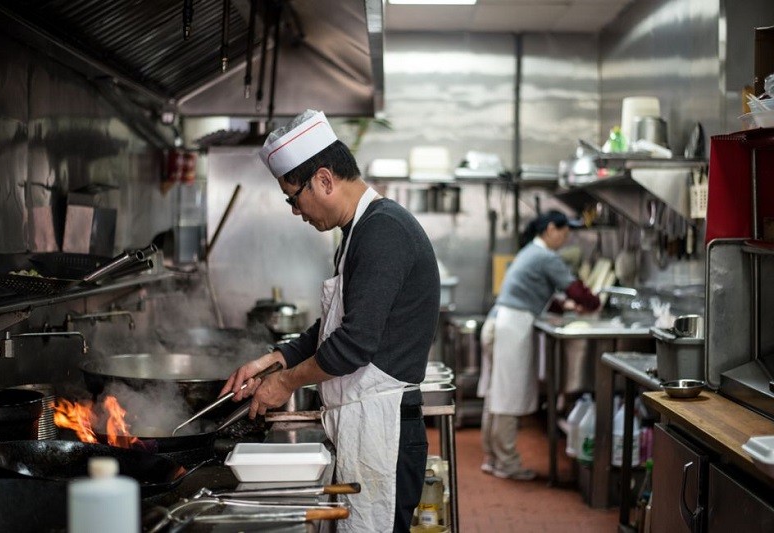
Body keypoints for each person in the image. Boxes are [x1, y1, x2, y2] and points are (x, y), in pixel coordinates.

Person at [220, 110, 441, 532]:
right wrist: (275, 360)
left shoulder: (383, 231)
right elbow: (332, 329)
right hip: (365, 426)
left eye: (293, 197)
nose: (294, 211)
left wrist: (285, 383)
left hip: (385, 431)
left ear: (324, 179)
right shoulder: (357, 232)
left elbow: (354, 345)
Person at [478, 209, 600, 480]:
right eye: (563, 233)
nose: (565, 239)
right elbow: (575, 290)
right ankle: (507, 463)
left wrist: (566, 305)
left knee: (495, 395)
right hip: (512, 327)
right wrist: (594, 303)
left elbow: (541, 292)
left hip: (498, 321)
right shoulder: (545, 256)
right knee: (507, 397)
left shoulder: (529, 252)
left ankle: (494, 458)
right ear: (550, 230)